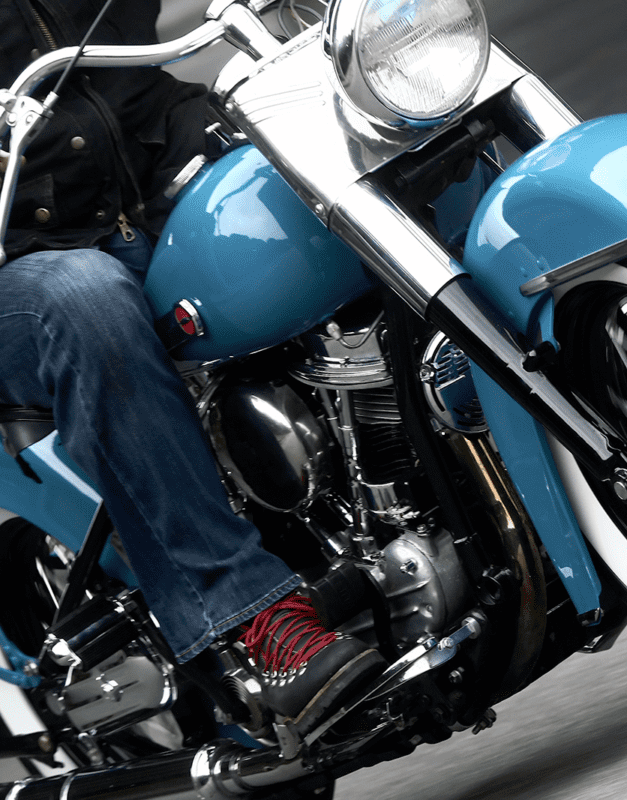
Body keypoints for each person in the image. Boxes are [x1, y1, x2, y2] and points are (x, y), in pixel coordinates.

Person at [0, 0, 383, 735]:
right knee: (84, 298)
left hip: (159, 166)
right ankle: (252, 617)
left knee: (359, 137)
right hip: (23, 260)